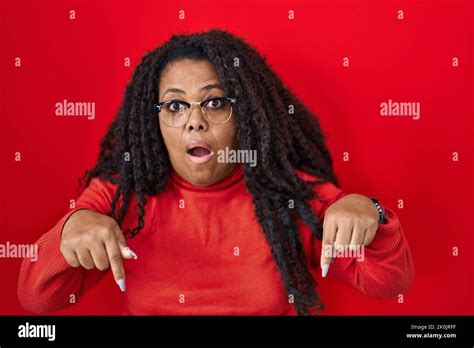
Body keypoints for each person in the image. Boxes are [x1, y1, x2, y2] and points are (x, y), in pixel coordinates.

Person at [18, 29, 414, 316]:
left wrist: (370, 213)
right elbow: (37, 299)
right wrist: (71, 229)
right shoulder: (121, 196)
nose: (194, 121)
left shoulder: (286, 191)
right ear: (152, 121)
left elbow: (389, 283)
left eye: (214, 102)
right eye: (174, 107)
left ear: (247, 114)